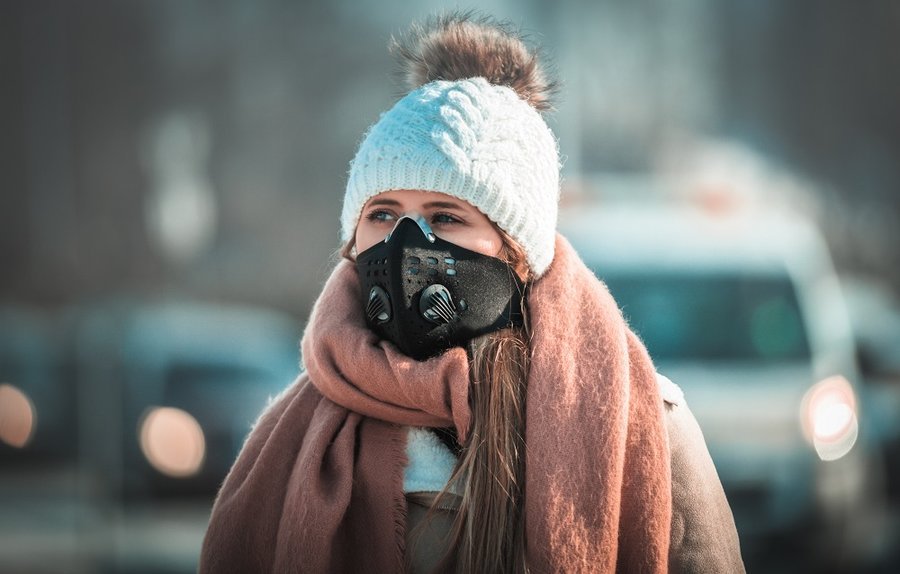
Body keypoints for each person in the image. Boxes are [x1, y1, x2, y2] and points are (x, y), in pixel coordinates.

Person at [199, 13, 744, 574]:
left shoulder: (640, 423)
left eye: (446, 216)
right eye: (382, 214)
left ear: (516, 253)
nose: (405, 243)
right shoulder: (290, 439)